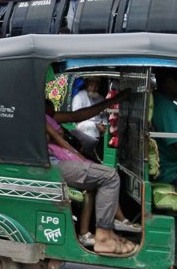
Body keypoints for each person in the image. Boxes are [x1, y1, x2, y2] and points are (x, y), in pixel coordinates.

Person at [45, 104, 137, 257]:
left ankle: (107, 231)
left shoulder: (35, 113)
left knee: (100, 176)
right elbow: (57, 134)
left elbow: (70, 122)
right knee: (110, 176)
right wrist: (78, 155)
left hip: (55, 160)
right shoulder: (34, 114)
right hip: (52, 164)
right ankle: (104, 236)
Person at [70, 76, 108, 159]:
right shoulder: (79, 97)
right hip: (83, 124)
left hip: (100, 126)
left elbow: (104, 115)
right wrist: (96, 126)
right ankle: (89, 152)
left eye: (96, 86)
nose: (94, 89)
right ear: (87, 85)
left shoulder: (100, 98)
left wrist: (104, 124)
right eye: (91, 86)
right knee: (90, 125)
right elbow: (76, 117)